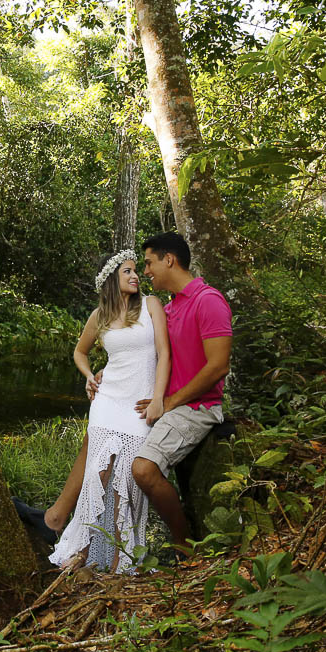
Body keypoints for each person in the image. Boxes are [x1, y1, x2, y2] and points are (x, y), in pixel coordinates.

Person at [46, 232, 232, 559]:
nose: (144, 272)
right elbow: (140, 348)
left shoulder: (206, 301)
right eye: (134, 268)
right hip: (151, 401)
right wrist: (103, 372)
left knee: (140, 469)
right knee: (98, 448)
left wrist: (167, 401)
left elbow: (218, 366)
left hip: (192, 405)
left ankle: (181, 549)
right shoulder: (171, 306)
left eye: (147, 264)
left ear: (168, 260)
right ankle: (71, 534)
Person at [47, 249, 171, 572]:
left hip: (139, 406)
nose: (135, 275)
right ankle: (82, 551)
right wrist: (90, 376)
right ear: (111, 279)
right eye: (127, 271)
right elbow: (80, 351)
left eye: (136, 270)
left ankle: (121, 560)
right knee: (98, 476)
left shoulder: (151, 306)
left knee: (126, 481)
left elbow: (163, 353)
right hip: (107, 402)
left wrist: (158, 398)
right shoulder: (100, 315)